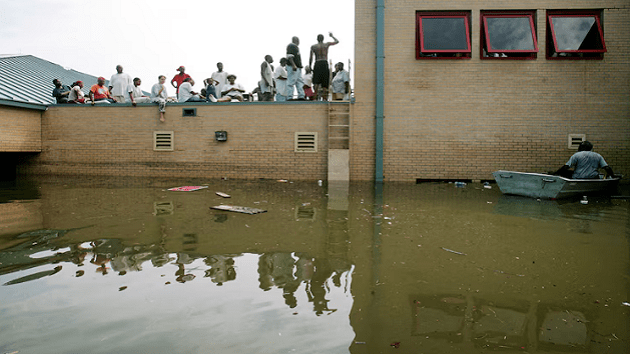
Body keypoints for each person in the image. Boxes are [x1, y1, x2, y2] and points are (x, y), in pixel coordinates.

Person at [310, 32, 339, 100]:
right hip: (324, 62)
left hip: (317, 62)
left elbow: (310, 57)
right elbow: (337, 41)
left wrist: (310, 65)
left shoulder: (313, 46)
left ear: (317, 39)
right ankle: (324, 96)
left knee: (316, 81)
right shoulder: (326, 44)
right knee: (324, 80)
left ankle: (315, 96)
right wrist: (332, 36)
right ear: (323, 39)